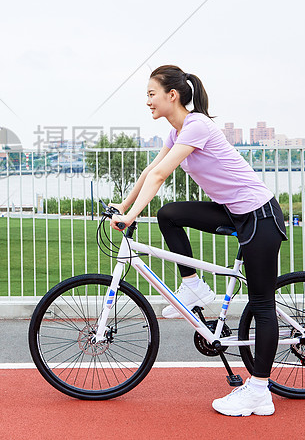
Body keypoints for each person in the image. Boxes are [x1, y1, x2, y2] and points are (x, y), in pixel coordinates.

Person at [110, 64, 287, 417]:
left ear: (171, 95)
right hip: (234, 212)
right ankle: (192, 285)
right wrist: (124, 204)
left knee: (262, 306)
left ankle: (259, 391)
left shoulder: (197, 125)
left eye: (150, 94)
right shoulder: (177, 133)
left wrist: (130, 218)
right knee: (169, 215)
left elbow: (161, 175)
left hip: (259, 216)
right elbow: (150, 169)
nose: (147, 101)